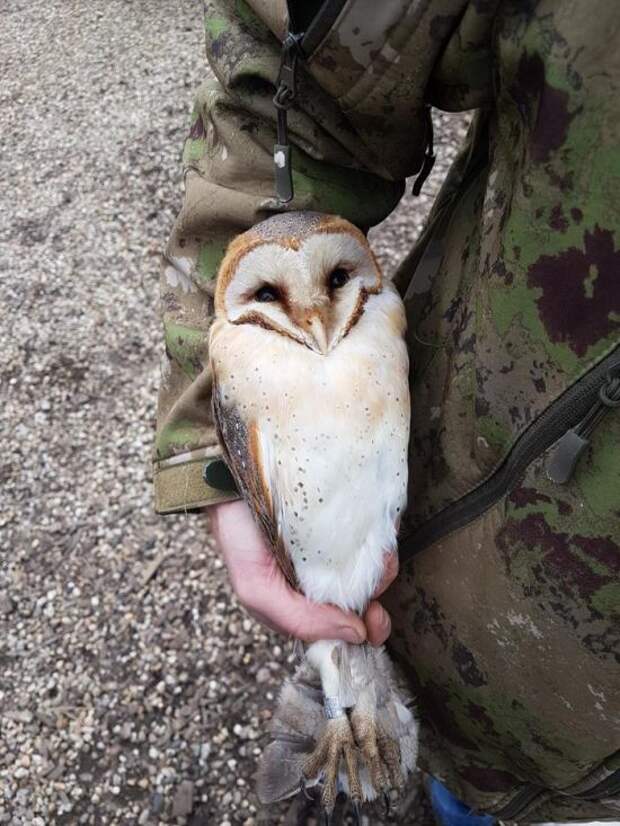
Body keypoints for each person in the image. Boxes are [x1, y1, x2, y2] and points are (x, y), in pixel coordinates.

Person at [155, 1, 620, 821]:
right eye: (268, 296)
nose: (310, 318)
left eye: (336, 283)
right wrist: (214, 435)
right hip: (472, 645)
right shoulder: (284, 354)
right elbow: (306, 83)